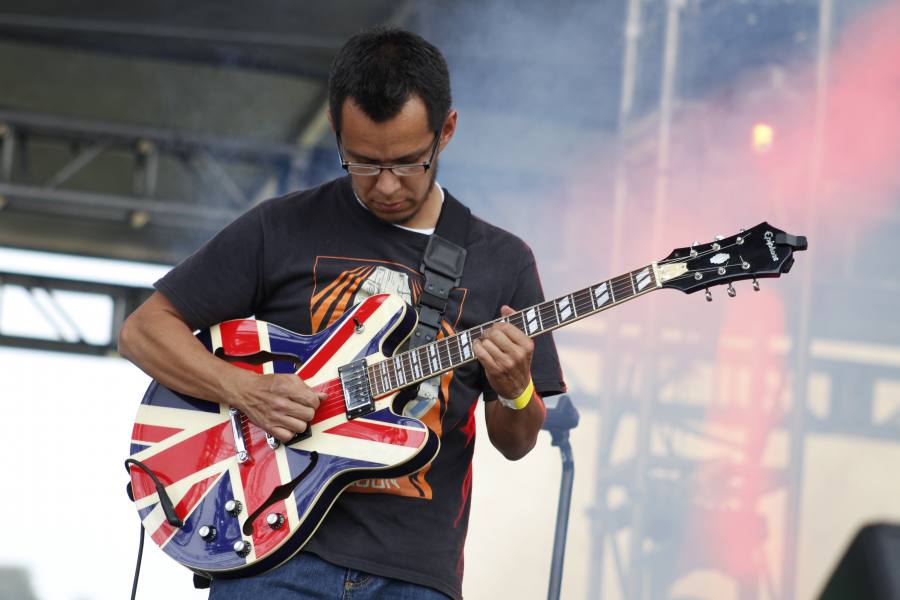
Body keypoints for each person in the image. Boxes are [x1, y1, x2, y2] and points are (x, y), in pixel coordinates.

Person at [119, 26, 565, 600]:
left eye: (408, 162)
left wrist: (516, 390)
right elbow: (144, 331)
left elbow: (517, 441)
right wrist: (246, 391)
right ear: (336, 129)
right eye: (363, 162)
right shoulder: (280, 226)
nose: (386, 185)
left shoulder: (501, 260)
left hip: (415, 572)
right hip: (272, 555)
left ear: (446, 131)